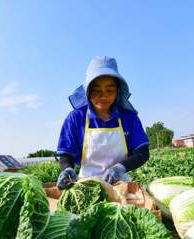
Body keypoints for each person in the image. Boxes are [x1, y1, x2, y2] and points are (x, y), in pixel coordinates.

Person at [56, 56, 150, 189]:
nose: (103, 96)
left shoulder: (129, 118)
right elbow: (66, 154)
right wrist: (66, 169)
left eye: (110, 90)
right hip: (86, 187)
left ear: (118, 90)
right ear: (87, 90)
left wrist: (120, 167)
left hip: (120, 185)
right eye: (97, 90)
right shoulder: (75, 118)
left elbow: (143, 152)